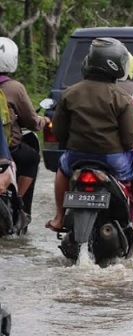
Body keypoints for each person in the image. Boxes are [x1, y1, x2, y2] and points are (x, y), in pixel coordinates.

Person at [45, 37, 133, 235]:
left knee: (62, 169)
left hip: (76, 157)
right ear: (118, 66)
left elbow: (58, 132)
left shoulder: (69, 93)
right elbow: (130, 136)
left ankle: (58, 218)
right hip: (112, 159)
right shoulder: (122, 98)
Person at [0, 36, 49, 218]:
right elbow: (33, 122)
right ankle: (18, 202)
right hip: (8, 149)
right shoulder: (14, 88)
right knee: (32, 158)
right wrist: (43, 120)